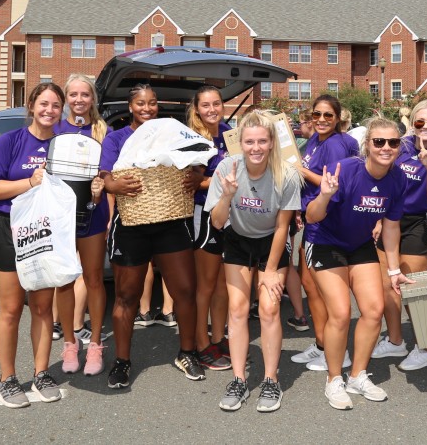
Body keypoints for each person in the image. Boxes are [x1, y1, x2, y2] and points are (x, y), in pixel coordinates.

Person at [101, 83, 204, 389]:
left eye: (153, 103)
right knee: (126, 295)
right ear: (130, 106)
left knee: (185, 289)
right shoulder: (117, 137)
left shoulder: (170, 133)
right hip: (131, 224)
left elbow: (197, 158)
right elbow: (104, 174)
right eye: (141, 103)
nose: (147, 108)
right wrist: (112, 186)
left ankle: (187, 352)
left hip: (172, 221)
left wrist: (198, 173)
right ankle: (122, 361)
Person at [305, 117, 410, 410]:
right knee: (339, 313)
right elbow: (312, 216)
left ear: (399, 146)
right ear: (367, 145)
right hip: (324, 240)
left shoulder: (398, 178)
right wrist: (324, 195)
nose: (386, 147)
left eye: (392, 142)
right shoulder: (347, 170)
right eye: (379, 141)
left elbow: (391, 227)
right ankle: (334, 379)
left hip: (359, 243)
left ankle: (357, 376)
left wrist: (393, 270)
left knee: (374, 310)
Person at [206, 111, 302, 412]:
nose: (256, 148)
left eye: (262, 141)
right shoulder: (226, 168)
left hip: (271, 243)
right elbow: (218, 223)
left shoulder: (287, 174)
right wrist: (227, 196)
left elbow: (283, 227)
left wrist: (271, 271)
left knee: (270, 309)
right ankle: (238, 379)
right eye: (249, 142)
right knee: (237, 309)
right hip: (237, 240)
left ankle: (271, 381)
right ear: (240, 143)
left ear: (272, 142)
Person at [0, 82, 67, 408]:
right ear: (31, 105)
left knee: (43, 308)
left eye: (55, 105)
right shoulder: (10, 141)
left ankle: (42, 373)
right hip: (7, 229)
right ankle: (6, 379)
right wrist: (29, 182)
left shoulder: (63, 146)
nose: (49, 110)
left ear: (61, 111)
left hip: (46, 232)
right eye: (43, 103)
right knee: (12, 309)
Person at [372, 99, 427, 371]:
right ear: (412, 124)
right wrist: (380, 218)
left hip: (421, 221)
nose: (425, 127)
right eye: (420, 122)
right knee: (387, 285)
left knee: (412, 289)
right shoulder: (402, 145)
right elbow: (387, 181)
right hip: (392, 218)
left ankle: (426, 347)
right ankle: (396, 342)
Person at [292, 95, 359, 371]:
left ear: (337, 118)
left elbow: (335, 185)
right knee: (310, 285)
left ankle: (335, 350)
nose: (321, 120)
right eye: (316, 114)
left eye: (327, 115)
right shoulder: (315, 141)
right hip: (312, 219)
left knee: (321, 289)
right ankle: (322, 344)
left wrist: (302, 172)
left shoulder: (334, 144)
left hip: (327, 222)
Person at [51, 74, 111, 377]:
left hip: (93, 215)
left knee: (94, 279)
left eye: (84, 95)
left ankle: (96, 345)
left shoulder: (103, 131)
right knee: (63, 280)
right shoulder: (53, 129)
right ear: (66, 99)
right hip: (60, 218)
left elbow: (110, 173)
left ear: (92, 99)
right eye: (73, 94)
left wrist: (103, 188)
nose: (78, 100)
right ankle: (71, 343)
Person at [183, 85, 232, 371]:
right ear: (197, 109)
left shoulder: (229, 132)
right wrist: (220, 180)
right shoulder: (194, 139)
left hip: (231, 214)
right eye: (206, 105)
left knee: (224, 284)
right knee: (206, 284)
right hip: (205, 212)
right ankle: (201, 343)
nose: (212, 109)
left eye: (216, 103)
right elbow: (191, 182)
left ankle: (218, 337)